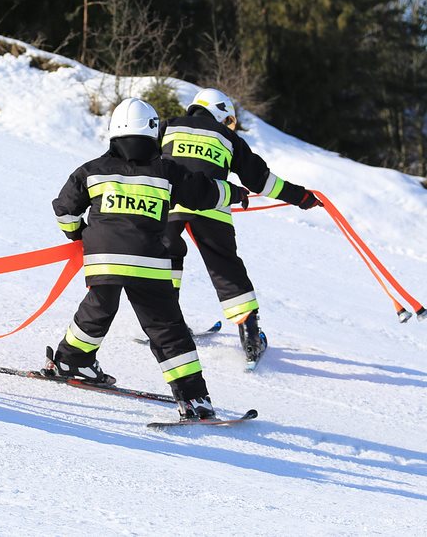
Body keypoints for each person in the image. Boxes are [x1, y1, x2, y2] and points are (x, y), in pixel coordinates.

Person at [48, 98, 249, 420]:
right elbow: (205, 194)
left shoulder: (91, 170)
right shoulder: (166, 171)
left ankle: (73, 360)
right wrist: (236, 193)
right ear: (155, 133)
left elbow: (64, 209)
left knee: (98, 309)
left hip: (103, 260)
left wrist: (79, 235)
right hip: (149, 263)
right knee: (168, 330)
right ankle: (194, 398)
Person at [160, 88, 322, 367]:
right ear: (221, 111)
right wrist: (301, 197)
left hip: (167, 205)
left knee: (166, 259)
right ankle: (250, 337)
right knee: (226, 268)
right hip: (214, 206)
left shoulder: (168, 127)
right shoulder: (228, 138)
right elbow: (261, 181)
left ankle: (167, 325)